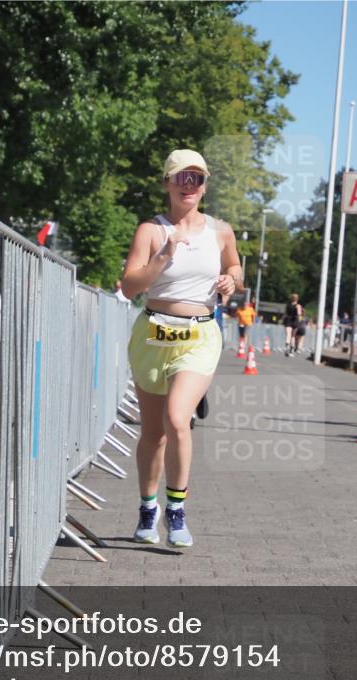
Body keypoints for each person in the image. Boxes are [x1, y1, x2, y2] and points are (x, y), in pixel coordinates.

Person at [121, 149, 242, 546]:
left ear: (204, 186)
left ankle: (176, 511)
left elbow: (235, 267)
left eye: (196, 178)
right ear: (167, 183)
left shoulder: (220, 231)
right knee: (153, 433)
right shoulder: (151, 231)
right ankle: (147, 509)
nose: (189, 185)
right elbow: (129, 286)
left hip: (199, 334)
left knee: (177, 419)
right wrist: (164, 256)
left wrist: (231, 279)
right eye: (181, 178)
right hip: (154, 333)